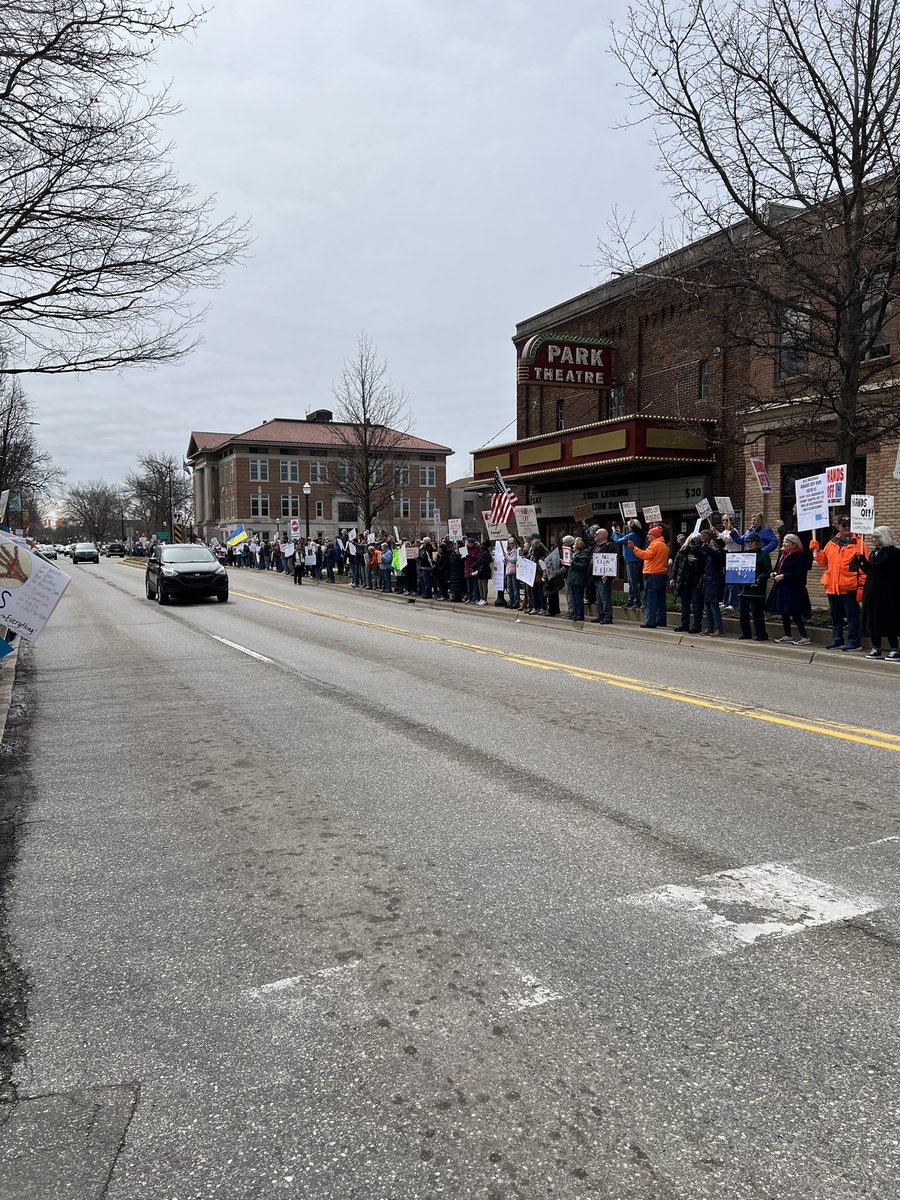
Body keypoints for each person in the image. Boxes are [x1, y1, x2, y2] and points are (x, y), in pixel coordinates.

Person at [809, 516, 868, 651]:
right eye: (844, 525)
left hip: (849, 586)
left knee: (852, 617)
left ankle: (854, 642)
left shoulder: (859, 545)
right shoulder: (831, 543)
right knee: (836, 616)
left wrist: (861, 586)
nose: (846, 527)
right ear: (838, 526)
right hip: (832, 586)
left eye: (849, 525)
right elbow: (823, 562)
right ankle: (837, 639)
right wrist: (816, 550)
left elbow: (864, 568)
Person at [859, 526, 900, 659]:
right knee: (872, 618)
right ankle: (875, 647)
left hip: (887, 591)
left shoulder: (893, 553)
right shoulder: (874, 553)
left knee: (888, 619)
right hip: (872, 590)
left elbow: (889, 572)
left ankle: (894, 648)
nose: (873, 539)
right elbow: (871, 572)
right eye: (873, 536)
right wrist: (862, 564)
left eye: (876, 537)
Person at [765, 533, 811, 644]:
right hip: (782, 587)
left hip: (794, 588)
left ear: (794, 544)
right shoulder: (782, 554)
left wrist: (784, 576)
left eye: (787, 542)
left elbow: (800, 574)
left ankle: (804, 636)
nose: (784, 544)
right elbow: (777, 568)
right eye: (784, 541)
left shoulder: (799, 556)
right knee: (784, 612)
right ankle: (787, 635)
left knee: (795, 612)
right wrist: (774, 573)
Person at [632, 525, 669, 628]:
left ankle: (650, 621)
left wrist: (634, 548)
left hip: (653, 574)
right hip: (661, 574)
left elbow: (645, 555)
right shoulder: (664, 545)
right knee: (661, 599)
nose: (648, 536)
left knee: (650, 599)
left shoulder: (655, 544)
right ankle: (661, 619)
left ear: (655, 535)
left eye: (650, 534)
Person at [737, 533, 772, 641]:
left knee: (756, 612)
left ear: (757, 543)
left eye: (751, 542)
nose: (748, 544)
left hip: (755, 589)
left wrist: (760, 577)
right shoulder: (743, 555)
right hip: (743, 588)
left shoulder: (763, 554)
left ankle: (761, 634)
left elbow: (768, 571)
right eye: (747, 542)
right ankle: (746, 633)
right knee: (743, 612)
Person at [669, 534, 704, 633]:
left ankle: (697, 625)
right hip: (684, 582)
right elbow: (676, 564)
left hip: (696, 582)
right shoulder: (682, 551)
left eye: (695, 541)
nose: (693, 543)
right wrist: (673, 577)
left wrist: (696, 548)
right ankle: (684, 624)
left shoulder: (700, 551)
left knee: (697, 605)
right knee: (685, 604)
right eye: (691, 541)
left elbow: (702, 560)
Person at [612, 519, 645, 609]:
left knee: (633, 582)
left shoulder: (632, 535)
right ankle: (631, 600)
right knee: (631, 581)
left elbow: (618, 541)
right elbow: (624, 538)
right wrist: (620, 534)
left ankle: (636, 601)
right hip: (633, 559)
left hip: (632, 560)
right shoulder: (636, 535)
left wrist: (614, 533)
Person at [698, 528, 725, 635]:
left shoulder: (719, 554)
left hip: (715, 581)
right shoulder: (710, 554)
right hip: (708, 581)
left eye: (713, 544)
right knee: (707, 606)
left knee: (714, 606)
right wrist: (696, 546)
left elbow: (713, 554)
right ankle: (709, 628)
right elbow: (701, 555)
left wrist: (704, 544)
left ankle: (719, 629)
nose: (711, 545)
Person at [589, 528, 616, 624]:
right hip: (596, 575)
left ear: (604, 535)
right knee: (599, 598)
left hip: (604, 576)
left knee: (605, 597)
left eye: (597, 533)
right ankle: (600, 615)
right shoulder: (595, 546)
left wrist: (608, 574)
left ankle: (608, 616)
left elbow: (612, 562)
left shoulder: (609, 546)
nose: (595, 535)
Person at [718, 516, 744, 610]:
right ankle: (726, 601)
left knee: (733, 581)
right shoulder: (724, 532)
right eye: (723, 520)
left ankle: (733, 603)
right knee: (727, 581)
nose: (725, 522)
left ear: (731, 521)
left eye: (727, 520)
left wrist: (717, 533)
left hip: (734, 558)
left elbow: (727, 540)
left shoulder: (734, 531)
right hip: (726, 558)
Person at [527, 533, 549, 614]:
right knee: (534, 592)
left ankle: (542, 607)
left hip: (539, 576)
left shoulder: (541, 558)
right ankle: (535, 607)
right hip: (534, 575)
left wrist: (543, 579)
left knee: (541, 592)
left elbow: (544, 570)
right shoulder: (533, 555)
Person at [504, 538, 520, 610]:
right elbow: (508, 562)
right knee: (510, 587)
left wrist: (507, 557)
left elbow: (513, 560)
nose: (511, 545)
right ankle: (511, 601)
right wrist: (504, 560)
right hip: (508, 571)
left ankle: (516, 602)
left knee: (515, 588)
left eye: (512, 543)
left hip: (514, 571)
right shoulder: (508, 551)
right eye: (510, 543)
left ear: (515, 543)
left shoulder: (516, 551)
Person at [476, 539, 492, 605]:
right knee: (480, 586)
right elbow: (478, 561)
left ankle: (484, 599)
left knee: (484, 586)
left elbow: (485, 563)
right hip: (480, 572)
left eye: (482, 545)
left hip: (484, 572)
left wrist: (480, 569)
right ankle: (481, 598)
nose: (481, 546)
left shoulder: (486, 553)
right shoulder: (482, 553)